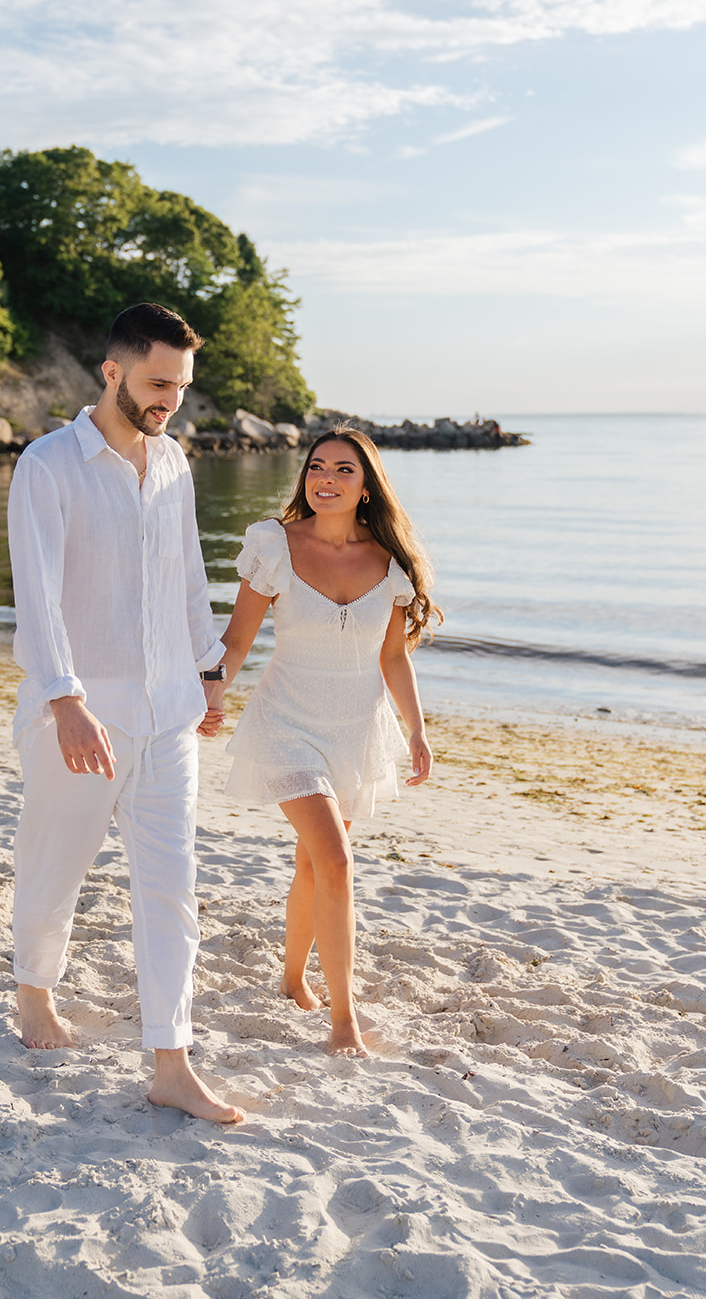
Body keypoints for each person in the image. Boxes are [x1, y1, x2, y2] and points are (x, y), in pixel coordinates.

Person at [6, 301, 242, 1123]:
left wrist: (208, 672)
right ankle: (34, 992)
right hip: (81, 710)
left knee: (172, 887)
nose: (169, 400)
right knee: (55, 863)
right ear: (111, 371)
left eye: (179, 386)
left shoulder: (173, 463)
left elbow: (184, 581)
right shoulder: (47, 465)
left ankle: (171, 1061)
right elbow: (34, 598)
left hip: (168, 712)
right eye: (155, 382)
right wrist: (63, 701)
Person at [205, 427, 441, 1058]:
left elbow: (393, 655)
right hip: (287, 723)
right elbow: (235, 642)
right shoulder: (274, 545)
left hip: (356, 730)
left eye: (343, 470)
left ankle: (291, 979)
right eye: (316, 467)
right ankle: (344, 1020)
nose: (326, 479)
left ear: (367, 487)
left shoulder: (389, 564)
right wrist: (214, 690)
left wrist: (416, 727)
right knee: (336, 860)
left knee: (314, 862)